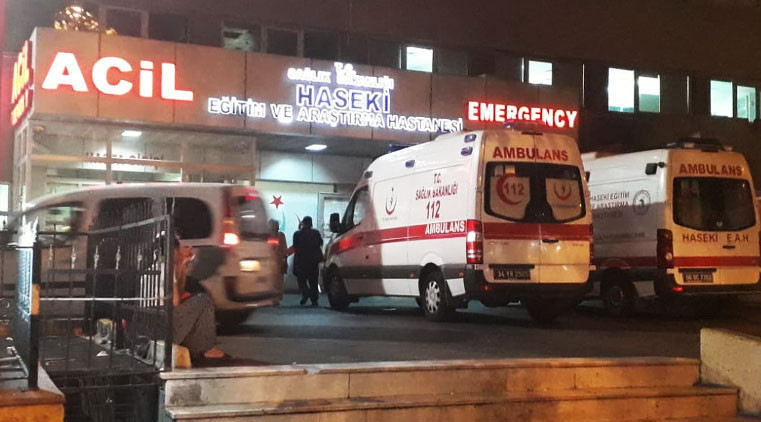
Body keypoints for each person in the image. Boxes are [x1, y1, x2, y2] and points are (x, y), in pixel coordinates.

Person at [172, 236, 225, 361]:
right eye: (186, 247)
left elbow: (179, 293)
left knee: (198, 299)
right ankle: (206, 348)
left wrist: (182, 267)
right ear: (175, 251)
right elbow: (175, 301)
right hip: (163, 327)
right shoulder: (166, 268)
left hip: (165, 321)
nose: (190, 250)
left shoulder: (173, 267)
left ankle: (203, 347)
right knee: (203, 300)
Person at [292, 216, 323, 306]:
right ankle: (314, 300)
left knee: (301, 279)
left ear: (303, 223)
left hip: (301, 260)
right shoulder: (316, 233)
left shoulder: (297, 234)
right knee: (313, 281)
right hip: (313, 260)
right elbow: (320, 243)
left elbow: (295, 246)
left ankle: (306, 292)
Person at [269, 219, 288, 292]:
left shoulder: (266, 236)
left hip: (272, 262)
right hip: (278, 262)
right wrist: (285, 259)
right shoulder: (281, 236)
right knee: (278, 281)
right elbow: (284, 249)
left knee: (273, 281)